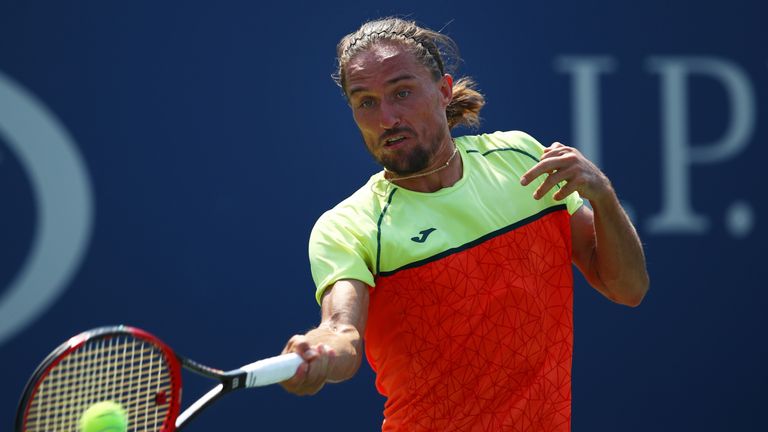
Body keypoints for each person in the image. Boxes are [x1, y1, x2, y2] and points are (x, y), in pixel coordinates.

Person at [280, 17, 649, 431]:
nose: (386, 118)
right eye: (365, 101)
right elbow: (340, 330)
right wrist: (321, 348)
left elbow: (628, 287)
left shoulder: (523, 161)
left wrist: (602, 194)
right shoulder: (349, 226)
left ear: (443, 90)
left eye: (402, 93)